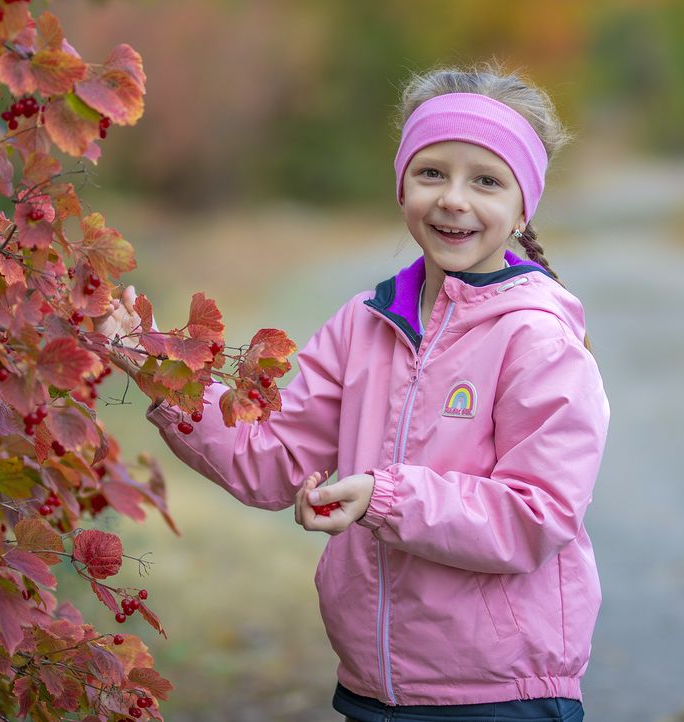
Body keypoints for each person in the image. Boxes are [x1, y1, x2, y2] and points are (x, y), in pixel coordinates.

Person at [137, 64, 610, 721]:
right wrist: (157, 367)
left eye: (487, 181)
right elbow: (270, 457)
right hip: (373, 684)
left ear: (523, 204)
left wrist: (383, 497)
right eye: (432, 172)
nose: (453, 199)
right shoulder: (365, 322)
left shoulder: (538, 339)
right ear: (401, 184)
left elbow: (537, 516)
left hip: (499, 693)